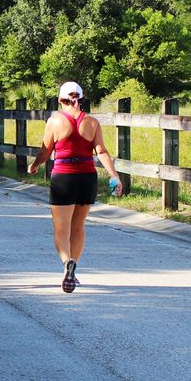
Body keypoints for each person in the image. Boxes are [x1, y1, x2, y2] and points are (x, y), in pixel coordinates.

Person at [28, 81, 122, 293]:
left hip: (63, 177)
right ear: (81, 98)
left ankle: (66, 263)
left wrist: (34, 166)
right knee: (78, 226)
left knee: (61, 230)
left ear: (61, 100)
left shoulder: (54, 121)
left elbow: (45, 151)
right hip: (87, 177)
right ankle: (74, 266)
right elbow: (102, 152)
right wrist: (115, 176)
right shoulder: (92, 122)